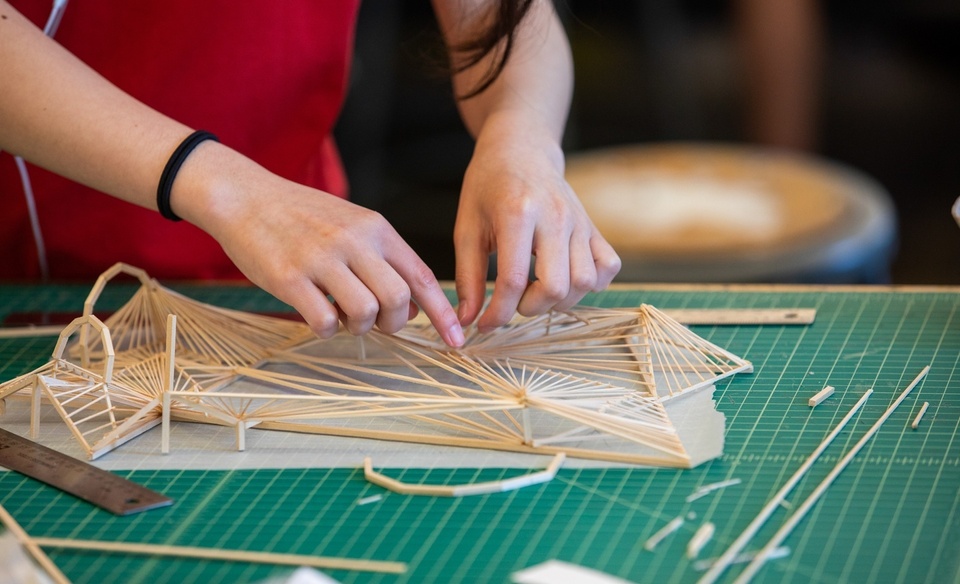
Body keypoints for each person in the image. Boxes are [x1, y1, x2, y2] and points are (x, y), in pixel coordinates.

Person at [0, 0, 621, 348]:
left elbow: (498, 14)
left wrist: (522, 137)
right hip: (37, 293)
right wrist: (230, 191)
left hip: (295, 281)